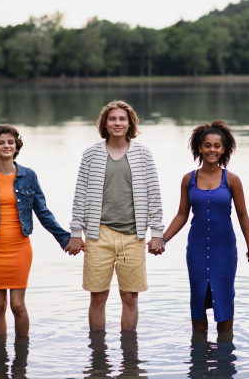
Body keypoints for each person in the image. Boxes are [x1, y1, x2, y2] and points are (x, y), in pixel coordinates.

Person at [148, 120, 249, 332]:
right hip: (197, 250)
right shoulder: (188, 179)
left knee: (225, 300)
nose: (212, 149)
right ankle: (199, 356)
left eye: (216, 145)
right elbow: (182, 215)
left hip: (225, 250)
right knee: (198, 299)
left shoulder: (232, 180)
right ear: (199, 148)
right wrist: (162, 238)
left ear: (224, 149)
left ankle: (224, 355)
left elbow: (243, 215)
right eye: (207, 145)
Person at [65, 100, 164, 332]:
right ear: (105, 124)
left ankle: (130, 358)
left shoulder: (144, 154)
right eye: (112, 119)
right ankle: (98, 355)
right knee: (98, 298)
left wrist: (157, 234)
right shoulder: (91, 155)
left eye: (122, 119)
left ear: (130, 123)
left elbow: (154, 195)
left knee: (130, 298)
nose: (117, 123)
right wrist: (76, 233)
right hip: (98, 235)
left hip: (134, 236)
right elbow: (80, 195)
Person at [0, 125, 71, 336]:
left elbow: (43, 212)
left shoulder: (29, 176)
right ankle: (0, 359)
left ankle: (22, 359)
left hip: (20, 247)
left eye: (10, 142)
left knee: (17, 305)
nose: (6, 146)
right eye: (1, 142)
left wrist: (64, 238)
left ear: (16, 145)